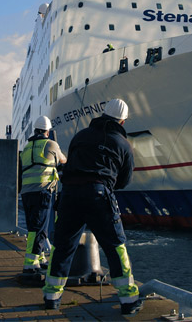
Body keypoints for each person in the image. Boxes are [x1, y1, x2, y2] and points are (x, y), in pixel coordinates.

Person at [42, 98, 143, 315]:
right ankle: (128, 300)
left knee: (63, 245)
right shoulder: (123, 144)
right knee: (115, 245)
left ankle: (52, 297)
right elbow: (124, 181)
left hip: (69, 195)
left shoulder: (80, 136)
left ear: (103, 114)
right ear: (122, 122)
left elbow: (70, 164)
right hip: (98, 194)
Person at [19, 115, 66, 275]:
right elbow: (63, 160)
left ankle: (39, 259)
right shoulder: (51, 144)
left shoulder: (26, 147)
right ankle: (30, 264)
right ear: (47, 131)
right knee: (39, 229)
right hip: (42, 191)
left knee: (33, 226)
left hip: (26, 193)